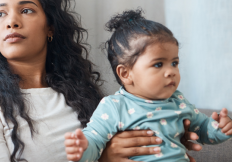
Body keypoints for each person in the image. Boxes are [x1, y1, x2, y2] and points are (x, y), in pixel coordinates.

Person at [0, 0, 201, 162]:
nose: (11, 22)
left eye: (26, 10)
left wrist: (164, 138)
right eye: (1, 14)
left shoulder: (79, 92)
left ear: (50, 27)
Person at [64, 9, 232, 162]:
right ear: (125, 73)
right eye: (158, 65)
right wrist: (82, 149)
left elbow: (203, 130)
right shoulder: (114, 107)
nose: (171, 71)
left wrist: (220, 129)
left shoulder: (178, 101)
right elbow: (94, 143)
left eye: (174, 63)